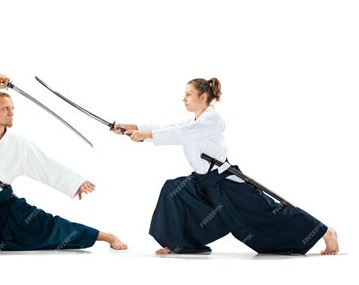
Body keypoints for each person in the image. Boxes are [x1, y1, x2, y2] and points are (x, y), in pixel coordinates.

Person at [113, 78, 339, 255]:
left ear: (203, 96)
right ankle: (178, 244)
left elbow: (178, 134)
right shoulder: (194, 120)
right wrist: (129, 127)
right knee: (173, 192)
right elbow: (167, 127)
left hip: (226, 183)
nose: (184, 99)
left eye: (189, 94)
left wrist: (144, 135)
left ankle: (324, 231)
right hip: (202, 183)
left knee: (266, 214)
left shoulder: (212, 119)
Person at [0, 73, 127, 255]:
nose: (11, 113)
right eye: (5, 109)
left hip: (4, 204)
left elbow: (46, 166)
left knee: (49, 227)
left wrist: (76, 182)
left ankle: (105, 236)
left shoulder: (18, 145)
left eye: (12, 109)